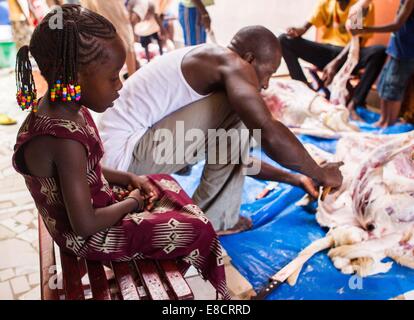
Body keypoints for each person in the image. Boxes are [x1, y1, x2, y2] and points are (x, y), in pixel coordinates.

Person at [12, 4, 229, 299]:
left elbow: (88, 170)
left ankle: (152, 252)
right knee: (199, 229)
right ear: (76, 77)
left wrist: (127, 178)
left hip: (92, 213)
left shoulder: (65, 108)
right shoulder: (63, 139)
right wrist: (132, 203)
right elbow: (86, 224)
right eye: (113, 77)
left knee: (163, 180)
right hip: (90, 237)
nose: (119, 86)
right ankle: (188, 283)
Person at [98, 25, 344, 235]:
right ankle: (214, 220)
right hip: (125, 160)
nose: (267, 83)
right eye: (268, 72)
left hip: (120, 160)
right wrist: (320, 173)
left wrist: (297, 177)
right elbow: (269, 132)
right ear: (248, 59)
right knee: (245, 110)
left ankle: (216, 215)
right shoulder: (231, 65)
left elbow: (231, 157)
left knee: (243, 113)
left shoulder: (212, 62)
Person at [280, 0, 387, 119]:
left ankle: (355, 102)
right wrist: (298, 30)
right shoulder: (326, 3)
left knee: (379, 52)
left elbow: (356, 39)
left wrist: (336, 62)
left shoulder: (360, 6)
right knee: (284, 40)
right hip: (326, 51)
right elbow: (305, 26)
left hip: (351, 53)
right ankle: (304, 91)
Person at [350, 0, 414, 127]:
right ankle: (383, 120)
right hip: (396, 48)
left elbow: (397, 25)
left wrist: (365, 29)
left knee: (394, 89)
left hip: (406, 52)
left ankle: (389, 123)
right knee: (385, 85)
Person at [80, 0, 138, 77]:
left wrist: (137, 11)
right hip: (102, 26)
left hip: (119, 19)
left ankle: (131, 78)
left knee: (127, 45)